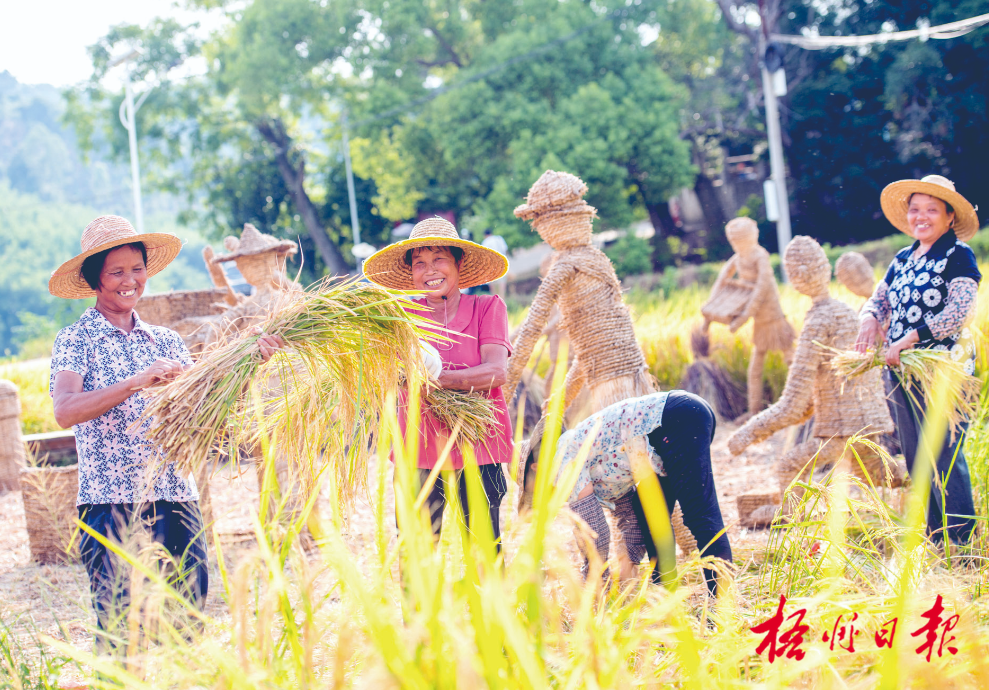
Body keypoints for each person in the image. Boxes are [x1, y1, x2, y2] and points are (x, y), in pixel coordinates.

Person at [363, 217, 513, 547]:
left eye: (439, 259)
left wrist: (435, 379)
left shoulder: (487, 307)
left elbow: (496, 372)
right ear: (411, 273)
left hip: (479, 446)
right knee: (417, 554)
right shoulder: (399, 318)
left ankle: (488, 601)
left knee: (484, 548)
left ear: (459, 264)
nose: (430, 271)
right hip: (419, 448)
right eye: (420, 264)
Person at [855, 175, 981, 544]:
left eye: (931, 210)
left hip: (943, 370)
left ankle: (961, 543)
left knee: (944, 453)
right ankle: (935, 536)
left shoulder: (958, 255)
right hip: (902, 372)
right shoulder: (904, 258)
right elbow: (879, 298)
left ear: (949, 217)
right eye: (915, 209)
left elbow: (959, 311)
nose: (921, 217)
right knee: (916, 456)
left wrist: (910, 338)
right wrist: (869, 318)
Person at [729, 236, 904, 500]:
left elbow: (792, 403)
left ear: (794, 279)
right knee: (883, 475)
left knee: (790, 467)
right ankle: (932, 488)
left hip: (841, 429)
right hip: (867, 421)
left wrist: (747, 434)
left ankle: (799, 525)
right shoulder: (846, 312)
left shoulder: (818, 321)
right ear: (826, 267)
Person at [518, 391, 732, 596]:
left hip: (672, 419)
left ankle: (723, 604)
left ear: (535, 468)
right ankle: (666, 600)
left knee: (699, 514)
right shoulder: (593, 464)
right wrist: (629, 560)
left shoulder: (562, 459)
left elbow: (593, 531)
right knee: (650, 517)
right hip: (669, 429)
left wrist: (594, 580)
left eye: (530, 489)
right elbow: (629, 517)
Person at [702, 217, 795, 416]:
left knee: (791, 361)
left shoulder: (760, 256)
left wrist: (743, 317)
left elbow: (760, 290)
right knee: (755, 367)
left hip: (773, 317)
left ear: (752, 237)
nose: (737, 245)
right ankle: (754, 412)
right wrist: (709, 312)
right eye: (734, 242)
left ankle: (803, 404)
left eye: (740, 240)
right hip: (759, 321)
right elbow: (722, 280)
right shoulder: (738, 258)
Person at [481, 228, 510, 299]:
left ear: (485, 235)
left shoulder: (485, 241)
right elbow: (505, 250)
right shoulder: (499, 239)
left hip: (491, 264)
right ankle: (502, 298)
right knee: (502, 281)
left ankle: (494, 298)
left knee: (492, 282)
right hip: (501, 262)